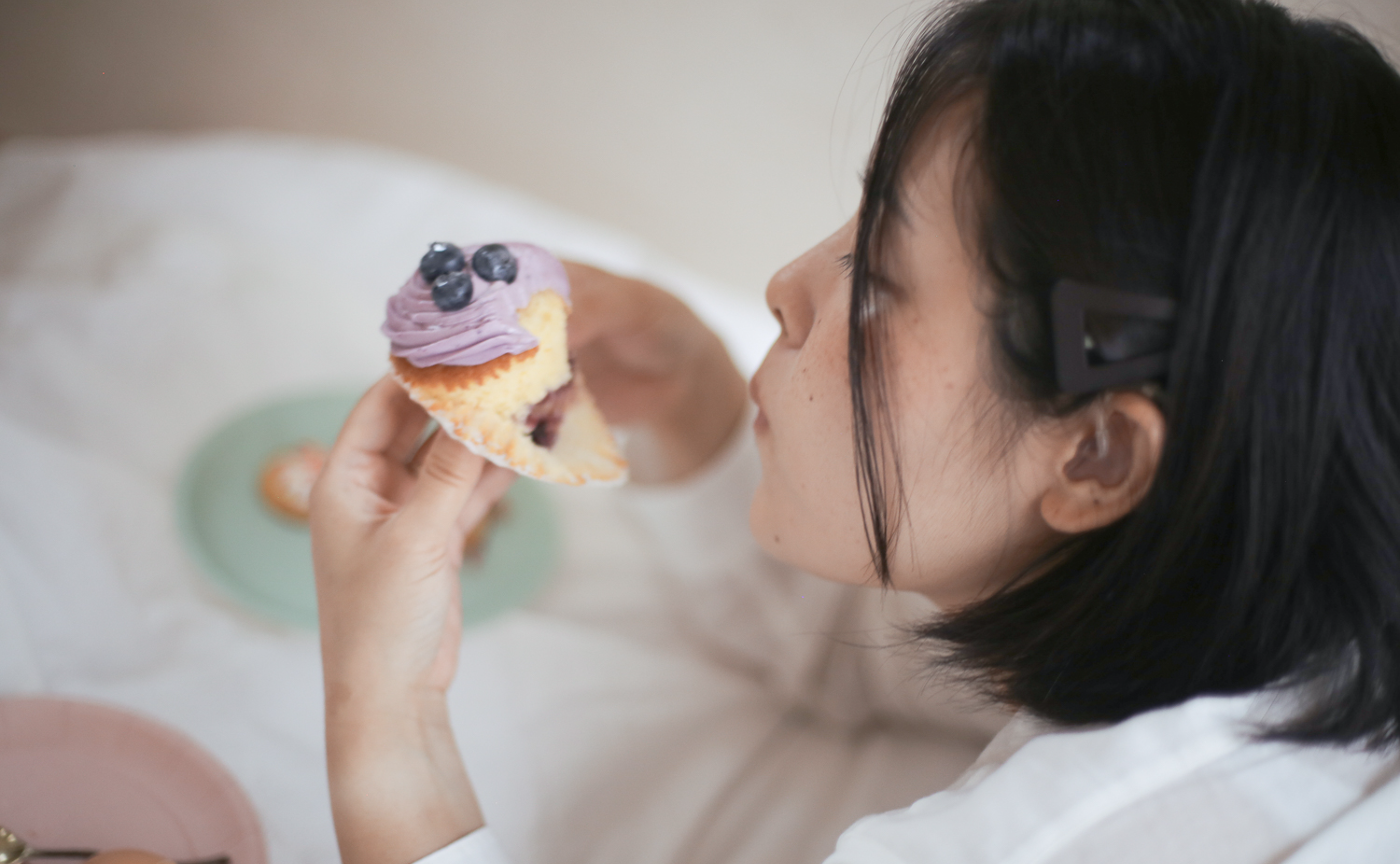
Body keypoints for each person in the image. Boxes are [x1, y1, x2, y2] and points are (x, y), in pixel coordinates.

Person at [309, 0, 1400, 861]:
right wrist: (698, 410)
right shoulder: (1249, 572)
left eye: (875, 280)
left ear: (1097, 454)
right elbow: (907, 652)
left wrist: (385, 717)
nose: (784, 286)